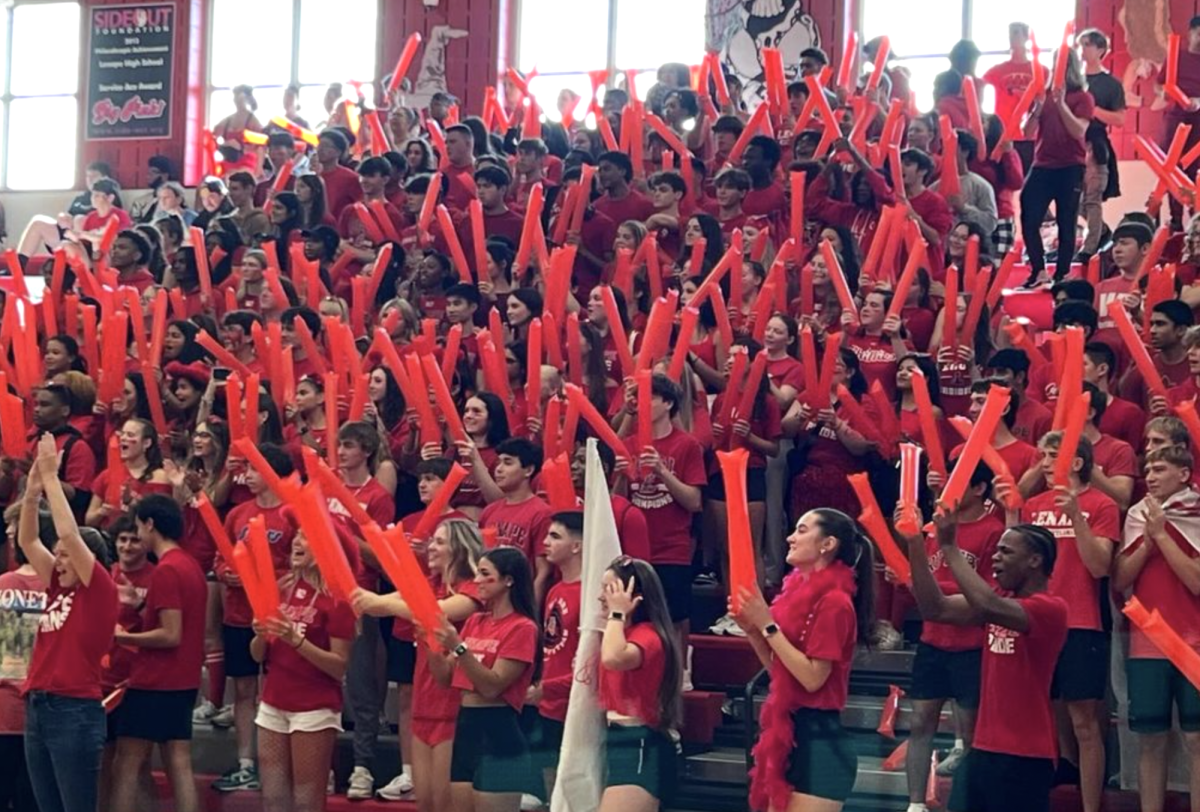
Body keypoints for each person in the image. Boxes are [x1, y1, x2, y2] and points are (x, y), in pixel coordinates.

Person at [904, 502, 1068, 812]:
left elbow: (986, 603)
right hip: (982, 748)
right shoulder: (1002, 601)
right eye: (997, 551)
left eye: (1006, 552)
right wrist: (915, 544)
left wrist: (949, 546)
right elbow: (934, 608)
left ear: (1035, 560)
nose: (995, 557)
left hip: (1026, 754)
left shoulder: (1051, 607)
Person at [731, 509, 875, 812]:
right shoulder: (797, 592)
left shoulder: (836, 602)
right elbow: (784, 674)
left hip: (821, 743)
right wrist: (755, 633)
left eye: (801, 530)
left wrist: (767, 625)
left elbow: (812, 679)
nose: (789, 537)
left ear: (827, 544)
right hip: (792, 734)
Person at [352, 518, 484, 812]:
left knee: (445, 804)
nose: (430, 548)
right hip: (424, 705)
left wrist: (377, 602)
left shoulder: (474, 589)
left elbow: (434, 613)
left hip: (454, 707)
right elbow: (386, 602)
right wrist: (358, 595)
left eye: (439, 542)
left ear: (460, 548)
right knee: (425, 804)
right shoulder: (430, 584)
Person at [1017, 431, 1118, 812]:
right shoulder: (1033, 506)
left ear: (1076, 463)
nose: (1044, 462)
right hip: (1037, 623)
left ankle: (1092, 807)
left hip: (1081, 622)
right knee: (1038, 716)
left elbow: (1099, 566)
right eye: (1042, 454)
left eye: (1052, 455)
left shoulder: (1102, 504)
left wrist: (1076, 516)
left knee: (1086, 723)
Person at [18, 434, 117, 812]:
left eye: (65, 557)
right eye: (57, 557)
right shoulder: (59, 586)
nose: (57, 562)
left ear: (88, 559)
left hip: (74, 712)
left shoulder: (101, 590)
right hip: (39, 706)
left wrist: (51, 476)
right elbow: (28, 540)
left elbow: (69, 534)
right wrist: (32, 492)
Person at [904, 460, 1004, 807]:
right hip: (932, 640)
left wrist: (936, 591)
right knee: (919, 722)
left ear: (979, 489)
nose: (948, 491)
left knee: (973, 731)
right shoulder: (932, 529)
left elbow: (987, 594)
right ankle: (915, 803)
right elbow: (923, 581)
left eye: (959, 483)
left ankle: (968, 801)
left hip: (971, 645)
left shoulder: (994, 530)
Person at [1114, 445, 1200, 812]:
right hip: (1146, 642)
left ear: (1184, 474)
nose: (1150, 476)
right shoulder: (1138, 515)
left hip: (1194, 641)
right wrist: (1148, 541)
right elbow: (1120, 579)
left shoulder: (1197, 514)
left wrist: (1163, 536)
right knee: (1150, 738)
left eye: (1160, 469)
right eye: (1148, 469)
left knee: (1197, 739)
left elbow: (1197, 583)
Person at [250, 515, 355, 812]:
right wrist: (260, 635)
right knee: (272, 800)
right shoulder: (281, 586)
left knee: (307, 801)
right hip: (272, 701)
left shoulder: (338, 600)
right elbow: (258, 655)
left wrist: (295, 640)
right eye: (296, 535)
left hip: (314, 708)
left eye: (306, 537)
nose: (296, 541)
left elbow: (339, 666)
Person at [110, 494, 207, 812]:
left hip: (155, 681)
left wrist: (122, 636)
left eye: (139, 527)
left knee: (126, 764)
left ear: (150, 524)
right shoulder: (190, 564)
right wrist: (140, 606)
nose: (137, 534)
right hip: (184, 680)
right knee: (178, 763)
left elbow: (170, 634)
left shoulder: (166, 570)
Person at [210, 444, 297, 793]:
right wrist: (226, 572)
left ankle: (281, 763)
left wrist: (273, 586)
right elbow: (220, 556)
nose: (246, 474)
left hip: (279, 617)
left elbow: (302, 564)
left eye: (253, 469)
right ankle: (246, 762)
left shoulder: (292, 514)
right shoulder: (238, 514)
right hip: (238, 613)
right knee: (243, 688)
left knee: (279, 689)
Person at [428, 546, 541, 812]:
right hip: (467, 728)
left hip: (498, 732)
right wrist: (430, 642)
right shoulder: (475, 621)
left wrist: (459, 647)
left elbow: (492, 686)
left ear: (508, 580)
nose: (476, 580)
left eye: (484, 574)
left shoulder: (523, 627)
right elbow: (444, 678)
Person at [620, 374, 705, 684]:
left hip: (672, 546)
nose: (642, 405)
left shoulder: (686, 445)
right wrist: (620, 475)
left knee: (676, 615)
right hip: (635, 547)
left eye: (650, 398)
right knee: (638, 615)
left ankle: (682, 670)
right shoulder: (628, 444)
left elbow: (694, 501)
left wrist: (660, 471)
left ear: (668, 403)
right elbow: (620, 500)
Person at [597, 556, 682, 812]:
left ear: (634, 595)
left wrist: (616, 613)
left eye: (609, 590)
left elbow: (614, 658)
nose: (601, 597)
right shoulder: (622, 633)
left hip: (641, 744)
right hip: (615, 739)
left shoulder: (649, 635)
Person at [1019, 49, 1095, 287]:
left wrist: (1061, 104)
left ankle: (1062, 273)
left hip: (1070, 165)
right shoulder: (1042, 95)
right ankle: (1038, 270)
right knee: (1029, 213)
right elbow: (1027, 132)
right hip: (1042, 163)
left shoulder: (1082, 97)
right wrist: (1038, 107)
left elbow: (1078, 131)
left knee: (1066, 219)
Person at [530, 511, 584, 800]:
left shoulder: (590, 592)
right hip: (548, 702)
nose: (545, 542)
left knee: (575, 787)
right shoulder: (555, 590)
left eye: (555, 536)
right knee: (551, 783)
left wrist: (548, 688)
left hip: (575, 705)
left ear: (576, 546)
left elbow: (588, 658)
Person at [478, 437, 554, 603]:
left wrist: (530, 610)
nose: (498, 469)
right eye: (498, 463)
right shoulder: (489, 511)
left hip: (518, 601)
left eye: (508, 462)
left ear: (528, 470)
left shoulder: (542, 513)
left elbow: (543, 572)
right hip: (489, 601)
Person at [1078, 29, 1125, 260]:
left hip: (1095, 142)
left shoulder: (1110, 85)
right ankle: (1102, 231)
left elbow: (1120, 118)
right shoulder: (1073, 80)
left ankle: (1090, 246)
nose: (1083, 50)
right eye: (1081, 45)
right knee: (1073, 199)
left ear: (1100, 50)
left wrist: (1092, 109)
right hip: (1072, 143)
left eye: (1087, 45)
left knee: (1092, 197)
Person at [983, 22, 1035, 168]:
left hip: (1029, 134)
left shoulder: (1040, 70)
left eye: (1016, 33)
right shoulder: (998, 70)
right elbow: (977, 85)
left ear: (1026, 37)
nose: (1011, 37)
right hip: (1003, 134)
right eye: (1010, 33)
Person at [314, 130, 364, 218]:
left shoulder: (350, 178)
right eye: (319, 145)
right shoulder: (311, 175)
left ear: (338, 152)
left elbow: (360, 206)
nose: (320, 149)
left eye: (326, 146)